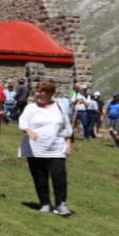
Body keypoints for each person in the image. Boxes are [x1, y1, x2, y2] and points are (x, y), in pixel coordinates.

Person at [19, 80, 74, 216]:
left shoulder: (59, 107)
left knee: (59, 176)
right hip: (35, 149)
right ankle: (44, 203)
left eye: (42, 92)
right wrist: (28, 131)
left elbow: (66, 128)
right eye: (37, 91)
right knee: (40, 177)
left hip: (56, 148)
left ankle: (61, 204)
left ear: (50, 94)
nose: (38, 94)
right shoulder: (31, 108)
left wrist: (68, 144)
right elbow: (23, 122)